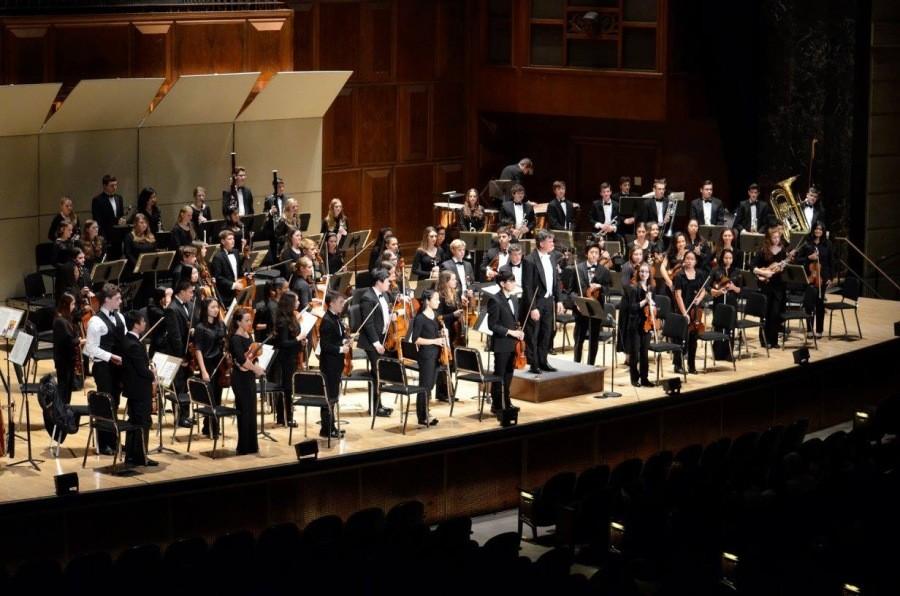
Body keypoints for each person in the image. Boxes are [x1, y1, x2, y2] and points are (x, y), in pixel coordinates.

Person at [83, 283, 126, 455]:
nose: (120, 301)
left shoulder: (120, 317)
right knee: (106, 403)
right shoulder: (95, 321)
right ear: (107, 300)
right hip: (103, 368)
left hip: (118, 368)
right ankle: (104, 443)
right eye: (117, 299)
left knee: (115, 402)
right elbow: (90, 349)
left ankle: (114, 441)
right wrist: (111, 357)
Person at [521, 230, 565, 374]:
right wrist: (532, 308)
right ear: (541, 243)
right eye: (550, 241)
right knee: (534, 333)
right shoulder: (529, 260)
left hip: (549, 301)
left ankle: (543, 361)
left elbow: (556, 280)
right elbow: (527, 286)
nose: (553, 243)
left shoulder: (552, 257)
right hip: (537, 301)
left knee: (547, 332)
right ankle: (534, 364)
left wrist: (559, 300)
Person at [356, 268, 395, 417]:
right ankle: (376, 406)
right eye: (387, 281)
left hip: (383, 337)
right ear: (379, 282)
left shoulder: (384, 294)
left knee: (381, 372)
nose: (389, 284)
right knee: (377, 372)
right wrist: (376, 343)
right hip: (371, 342)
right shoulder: (367, 298)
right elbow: (368, 324)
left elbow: (384, 313)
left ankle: (379, 404)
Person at [565, 243, 612, 365]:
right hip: (580, 309)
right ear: (586, 253)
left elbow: (609, 289)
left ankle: (590, 366)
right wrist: (578, 302)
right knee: (579, 339)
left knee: (594, 340)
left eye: (596, 252)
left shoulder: (604, 271)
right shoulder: (578, 268)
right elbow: (570, 291)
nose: (594, 255)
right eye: (592, 252)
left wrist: (600, 287)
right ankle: (576, 365)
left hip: (596, 309)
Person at [121, 310, 156, 466]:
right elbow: (142, 370)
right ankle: (141, 457)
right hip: (140, 390)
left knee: (134, 422)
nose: (145, 324)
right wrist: (153, 373)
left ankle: (131, 455)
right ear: (136, 324)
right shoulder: (134, 345)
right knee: (143, 422)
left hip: (133, 390)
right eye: (142, 321)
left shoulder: (126, 340)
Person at [487, 270, 524, 416]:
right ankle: (497, 405)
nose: (514, 283)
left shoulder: (514, 298)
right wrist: (510, 332)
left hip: (514, 343)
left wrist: (519, 331)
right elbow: (493, 325)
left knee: (509, 373)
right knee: (500, 374)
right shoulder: (494, 300)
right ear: (502, 284)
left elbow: (514, 320)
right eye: (511, 281)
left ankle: (506, 401)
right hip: (502, 343)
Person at [230, 309, 265, 454]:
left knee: (251, 410)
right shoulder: (235, 339)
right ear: (238, 322)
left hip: (249, 377)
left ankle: (252, 445)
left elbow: (252, 356)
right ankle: (243, 446)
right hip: (240, 378)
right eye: (246, 320)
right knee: (244, 411)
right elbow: (241, 359)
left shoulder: (249, 335)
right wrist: (256, 369)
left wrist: (257, 365)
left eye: (250, 320)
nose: (250, 323)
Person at [752, 227, 793, 348]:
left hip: (779, 286)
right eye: (774, 238)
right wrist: (763, 273)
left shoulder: (783, 251)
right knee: (765, 314)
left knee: (775, 313)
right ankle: (764, 340)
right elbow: (752, 266)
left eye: (778, 237)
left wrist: (785, 263)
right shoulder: (763, 251)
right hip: (766, 285)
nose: (776, 240)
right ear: (769, 239)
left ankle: (774, 341)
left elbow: (785, 268)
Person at [163, 280, 196, 427]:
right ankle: (180, 417)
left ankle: (186, 415)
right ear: (181, 292)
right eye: (190, 292)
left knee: (187, 384)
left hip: (188, 351)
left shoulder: (189, 305)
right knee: (179, 385)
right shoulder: (172, 308)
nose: (192, 294)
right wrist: (181, 356)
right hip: (178, 353)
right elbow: (175, 336)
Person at [411, 289, 445, 427]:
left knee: (430, 385)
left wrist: (441, 332)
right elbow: (416, 339)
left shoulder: (435, 315)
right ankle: (422, 415)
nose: (438, 301)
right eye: (436, 299)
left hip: (436, 354)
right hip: (426, 355)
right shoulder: (420, 318)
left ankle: (426, 411)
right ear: (427, 301)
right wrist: (434, 341)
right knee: (425, 386)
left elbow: (434, 332)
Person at [194, 298, 227, 438]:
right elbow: (198, 350)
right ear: (205, 309)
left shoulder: (221, 324)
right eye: (212, 307)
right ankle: (210, 427)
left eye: (217, 307)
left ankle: (212, 426)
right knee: (210, 398)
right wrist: (203, 371)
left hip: (219, 364)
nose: (216, 309)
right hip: (207, 364)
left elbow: (224, 342)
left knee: (217, 396)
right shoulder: (201, 327)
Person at [317, 292, 349, 439]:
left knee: (333, 397)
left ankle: (331, 426)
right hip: (329, 365)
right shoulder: (327, 321)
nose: (343, 305)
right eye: (341, 302)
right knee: (329, 397)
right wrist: (341, 349)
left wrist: (343, 341)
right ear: (331, 303)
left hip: (336, 364)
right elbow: (325, 346)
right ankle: (327, 429)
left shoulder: (336, 318)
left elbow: (338, 337)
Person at [274, 291, 306, 427]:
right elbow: (283, 343)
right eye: (296, 300)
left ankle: (286, 416)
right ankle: (285, 417)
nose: (298, 302)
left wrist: (301, 341)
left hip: (292, 357)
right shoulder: (282, 321)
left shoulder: (292, 317)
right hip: (284, 359)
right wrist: (298, 339)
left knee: (289, 388)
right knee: (286, 388)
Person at [796, 222, 833, 338]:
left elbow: (832, 261)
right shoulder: (807, 244)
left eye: (820, 229)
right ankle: (809, 330)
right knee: (809, 305)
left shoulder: (828, 244)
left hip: (823, 278)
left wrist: (831, 277)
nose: (818, 231)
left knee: (820, 305)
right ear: (813, 230)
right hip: (810, 278)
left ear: (823, 231)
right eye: (816, 229)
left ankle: (819, 330)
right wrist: (808, 258)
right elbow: (798, 259)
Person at [673, 251, 707, 374]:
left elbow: (703, 290)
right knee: (681, 339)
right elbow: (678, 295)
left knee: (693, 340)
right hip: (683, 310)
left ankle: (691, 365)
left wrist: (699, 298)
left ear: (695, 261)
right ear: (684, 260)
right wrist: (684, 313)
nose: (689, 261)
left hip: (695, 312)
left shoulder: (700, 274)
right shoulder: (679, 275)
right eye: (687, 258)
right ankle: (678, 365)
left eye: (692, 259)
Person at [623, 263, 656, 387]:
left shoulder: (651, 288)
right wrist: (644, 301)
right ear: (638, 273)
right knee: (635, 353)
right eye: (641, 271)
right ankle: (634, 379)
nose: (644, 274)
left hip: (647, 324)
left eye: (646, 272)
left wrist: (652, 303)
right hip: (635, 324)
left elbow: (654, 305)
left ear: (649, 274)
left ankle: (645, 379)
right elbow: (632, 307)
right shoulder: (633, 288)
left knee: (644, 353)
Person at [710, 248, 742, 360]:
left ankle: (729, 354)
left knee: (730, 329)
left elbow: (741, 290)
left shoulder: (737, 272)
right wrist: (717, 291)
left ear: (733, 259)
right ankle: (718, 353)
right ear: (722, 258)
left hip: (731, 303)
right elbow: (709, 286)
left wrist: (733, 287)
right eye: (726, 258)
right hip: (719, 302)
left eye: (730, 258)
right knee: (718, 327)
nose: (728, 260)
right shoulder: (716, 270)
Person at [53, 293, 83, 406]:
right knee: (64, 388)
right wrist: (80, 341)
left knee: (68, 388)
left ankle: (65, 410)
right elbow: (68, 341)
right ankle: (62, 412)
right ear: (66, 305)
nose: (74, 307)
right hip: (63, 360)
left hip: (67, 359)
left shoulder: (65, 319)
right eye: (72, 304)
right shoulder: (60, 321)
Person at [210, 229, 245, 307]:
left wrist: (246, 274)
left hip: (237, 292)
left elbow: (239, 271)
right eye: (229, 239)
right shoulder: (218, 257)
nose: (233, 241)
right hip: (225, 295)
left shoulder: (236, 252)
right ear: (222, 241)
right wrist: (233, 284)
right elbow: (218, 277)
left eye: (233, 238)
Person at [91, 174, 125, 245]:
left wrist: (122, 220)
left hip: (118, 236)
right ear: (104, 186)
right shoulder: (97, 200)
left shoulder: (119, 198)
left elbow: (121, 215)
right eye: (112, 185)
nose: (115, 188)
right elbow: (98, 220)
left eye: (116, 185)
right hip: (105, 236)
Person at [660, 232, 688, 297]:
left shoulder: (689, 253)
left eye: (683, 241)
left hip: (684, 284)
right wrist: (669, 281)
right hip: (672, 281)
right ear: (674, 243)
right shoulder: (671, 253)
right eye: (678, 242)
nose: (681, 244)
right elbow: (662, 267)